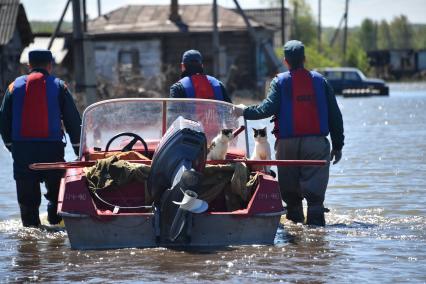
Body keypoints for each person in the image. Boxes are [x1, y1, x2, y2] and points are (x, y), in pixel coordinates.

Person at [233, 40, 344, 226]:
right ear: (305, 59)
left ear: (285, 61)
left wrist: (245, 111)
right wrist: (338, 145)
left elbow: (266, 110)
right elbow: (335, 116)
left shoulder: (279, 81)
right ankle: (317, 237)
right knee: (315, 200)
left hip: (286, 147)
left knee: (291, 199)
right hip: (316, 145)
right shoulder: (321, 81)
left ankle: (293, 241)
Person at [0, 49, 82, 227]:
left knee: (28, 206)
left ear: (28, 65)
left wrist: (11, 147)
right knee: (56, 196)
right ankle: (55, 225)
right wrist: (80, 150)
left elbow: (3, 121)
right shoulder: (60, 86)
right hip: (52, 150)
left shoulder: (13, 87)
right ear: (50, 65)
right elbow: (73, 122)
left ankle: (30, 243)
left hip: (23, 152)